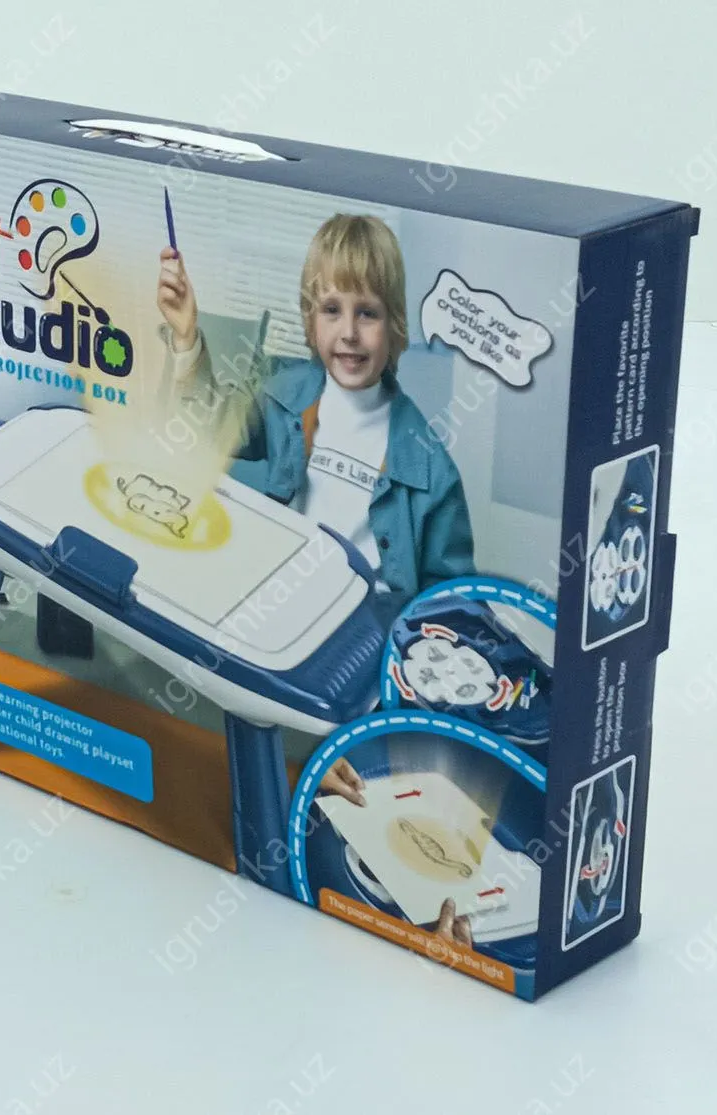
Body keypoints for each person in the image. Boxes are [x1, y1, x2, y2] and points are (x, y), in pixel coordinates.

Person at [156, 213, 477, 944]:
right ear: (310, 318)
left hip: (360, 664)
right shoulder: (284, 396)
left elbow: (449, 621)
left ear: (395, 326)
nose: (349, 333)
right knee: (252, 781)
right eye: (332, 310)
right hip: (272, 623)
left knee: (357, 840)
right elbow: (202, 435)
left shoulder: (430, 467)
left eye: (368, 313)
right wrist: (186, 337)